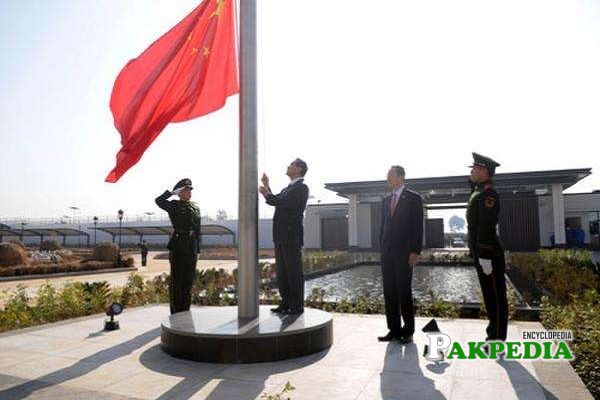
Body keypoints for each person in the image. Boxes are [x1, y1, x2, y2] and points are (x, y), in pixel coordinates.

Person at [378, 165, 423, 343]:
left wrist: (415, 251)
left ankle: (408, 330)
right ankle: (394, 329)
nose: (388, 177)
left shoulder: (413, 198)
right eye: (387, 174)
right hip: (387, 253)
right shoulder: (386, 200)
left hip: (405, 253)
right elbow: (383, 227)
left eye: (391, 174)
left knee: (403, 291)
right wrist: (381, 248)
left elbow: (417, 228)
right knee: (389, 292)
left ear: (401, 177)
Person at [259, 158, 309, 315]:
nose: (288, 166)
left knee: (293, 272)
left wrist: (266, 193)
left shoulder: (301, 188)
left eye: (291, 165)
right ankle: (286, 303)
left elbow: (281, 202)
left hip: (291, 236)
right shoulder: (289, 188)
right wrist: (267, 187)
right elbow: (277, 200)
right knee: (282, 272)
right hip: (281, 236)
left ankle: (296, 306)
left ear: (299, 169)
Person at [467, 152, 508, 342]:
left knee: (496, 298)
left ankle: (497, 340)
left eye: (476, 168)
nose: (472, 171)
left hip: (489, 253)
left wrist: (484, 254)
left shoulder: (488, 194)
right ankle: (492, 336)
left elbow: (486, 225)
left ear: (484, 171)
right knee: (489, 297)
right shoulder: (478, 192)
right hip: (481, 252)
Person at [155, 178, 201, 314]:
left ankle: (185, 311)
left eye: (190, 190)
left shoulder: (195, 207)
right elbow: (159, 201)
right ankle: (176, 313)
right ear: (180, 192)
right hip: (179, 246)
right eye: (186, 190)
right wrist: (171, 193)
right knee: (177, 282)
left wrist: (198, 249)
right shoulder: (173, 205)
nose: (189, 192)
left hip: (191, 247)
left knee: (188, 282)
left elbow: (198, 230)